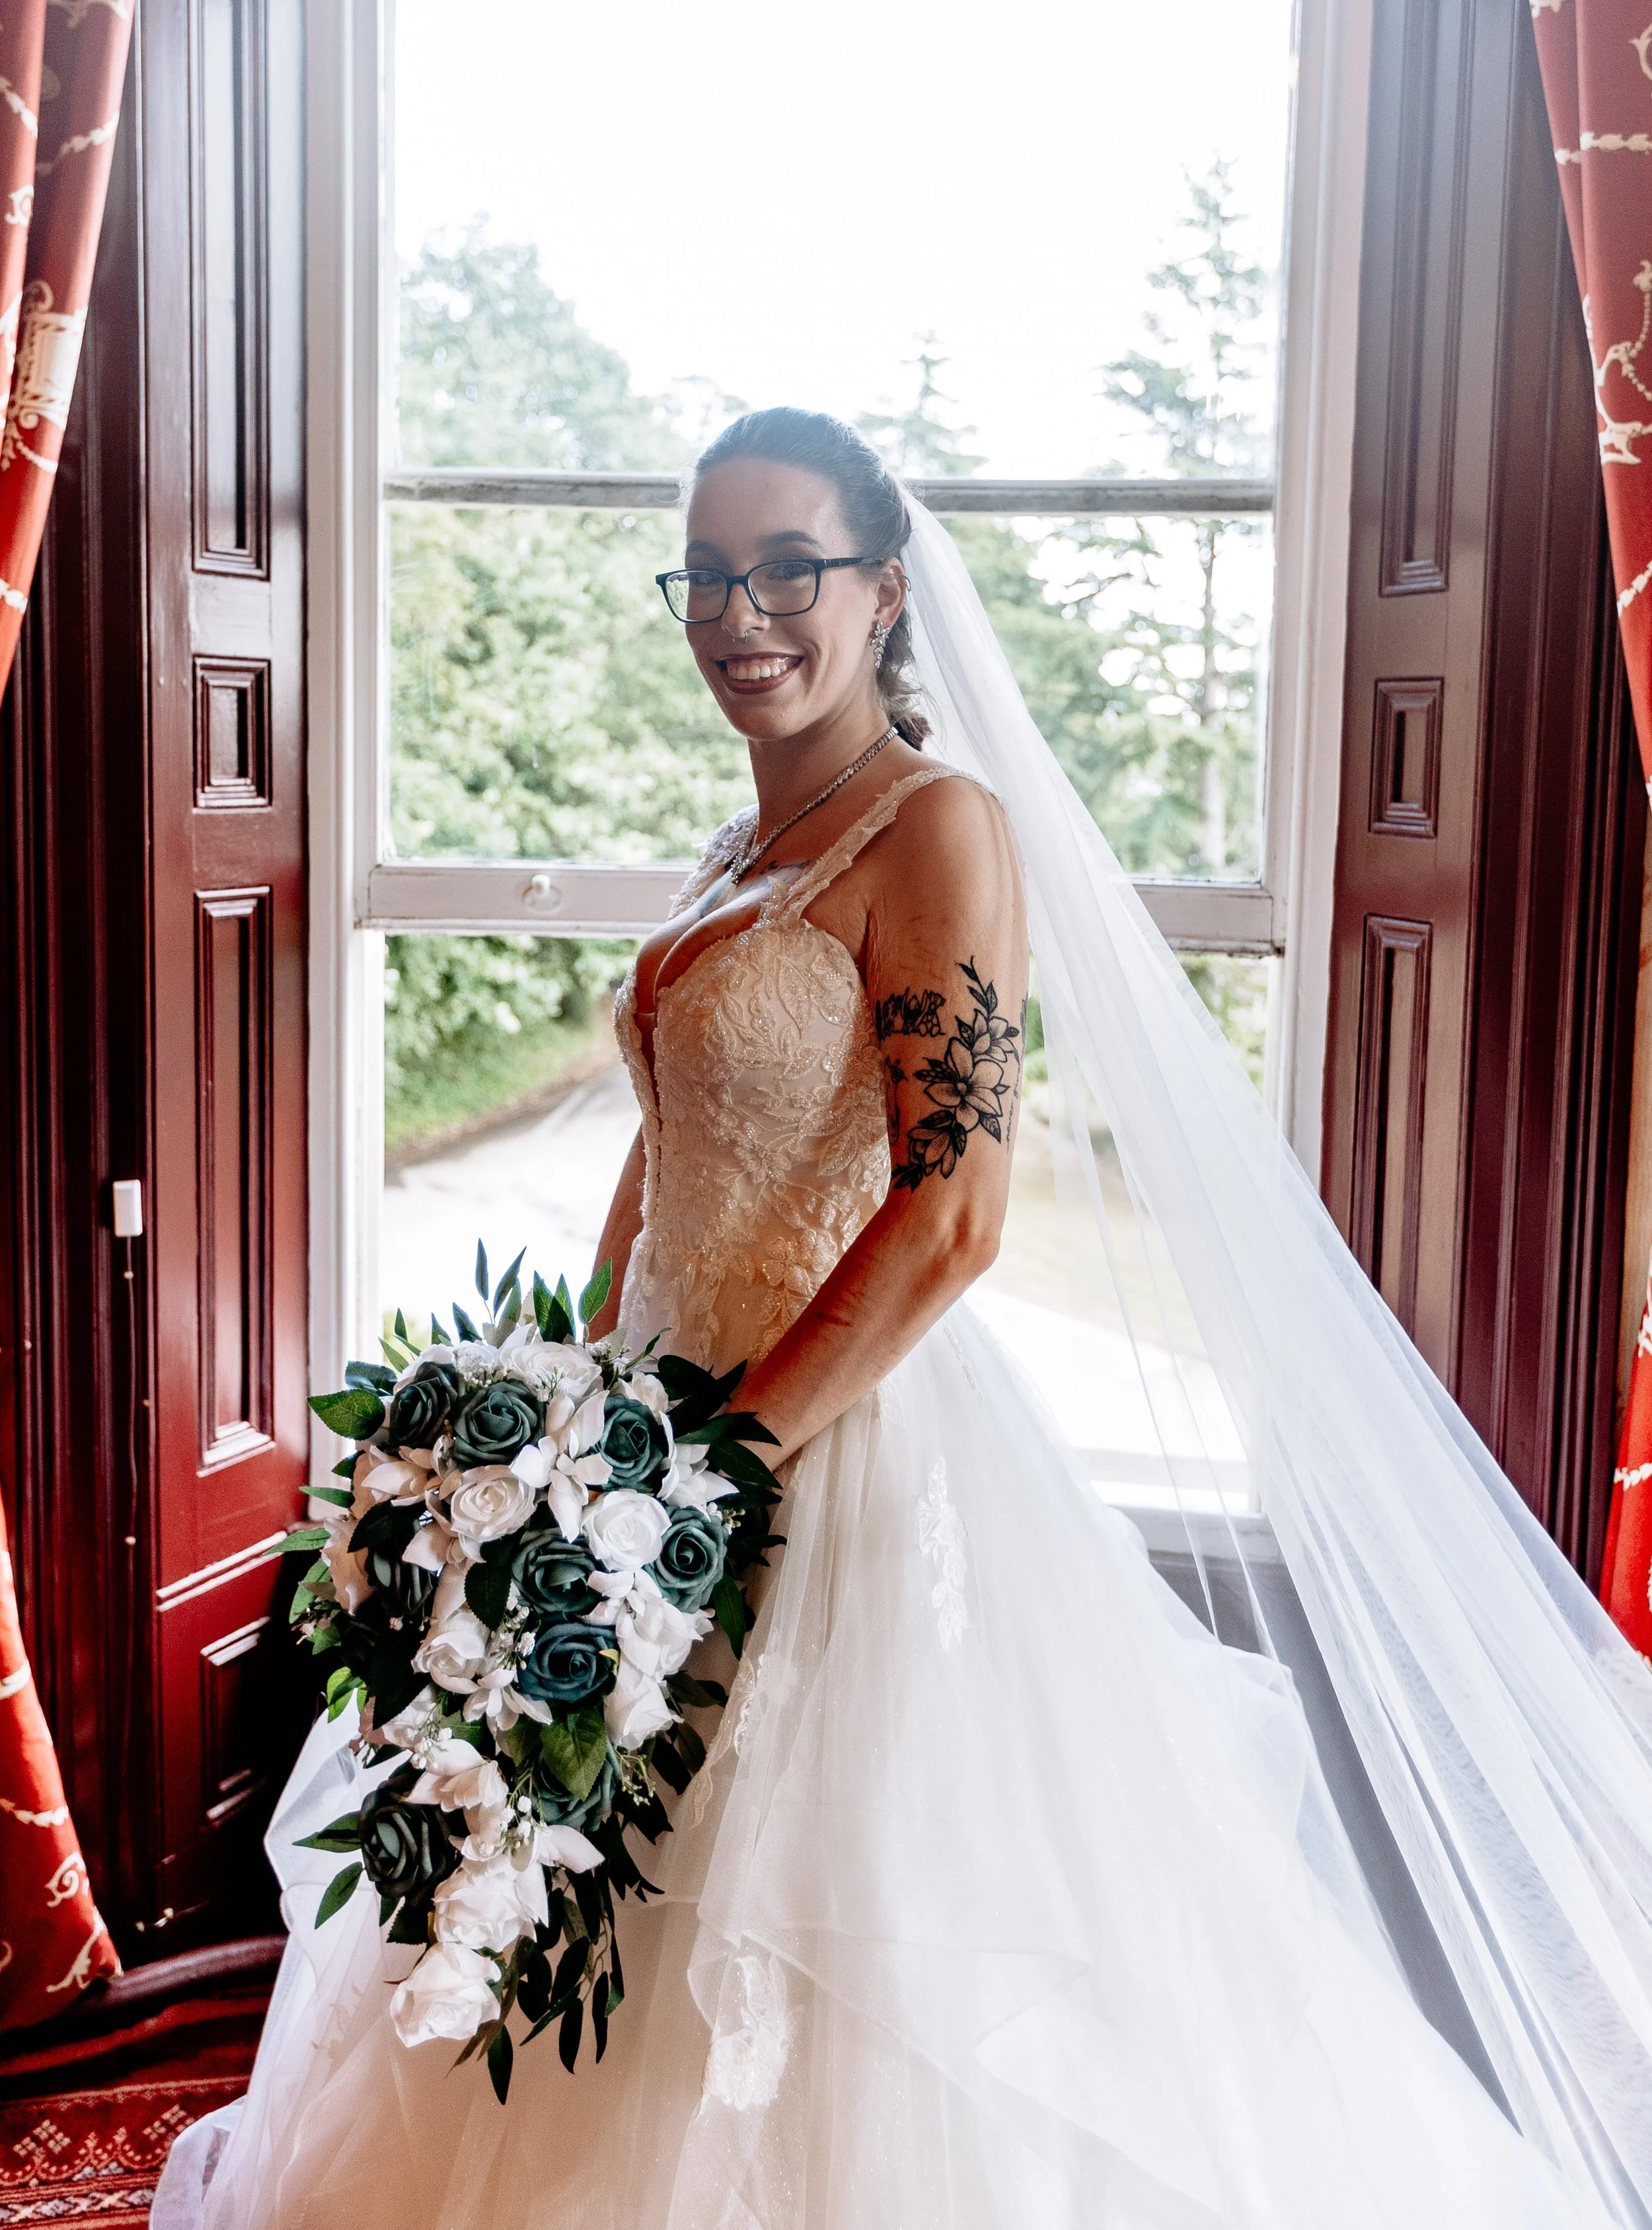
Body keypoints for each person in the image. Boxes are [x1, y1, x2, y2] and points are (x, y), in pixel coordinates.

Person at [157, 410, 1652, 2230]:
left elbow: (952, 1219)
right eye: (705, 574)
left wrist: (705, 1477)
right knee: (558, 1895)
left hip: (824, 1459)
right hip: (638, 1444)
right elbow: (668, 1142)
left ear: (882, 587)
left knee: (844, 1946)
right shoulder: (744, 833)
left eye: (786, 567)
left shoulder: (938, 834)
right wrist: (552, 1394)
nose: (739, 613)